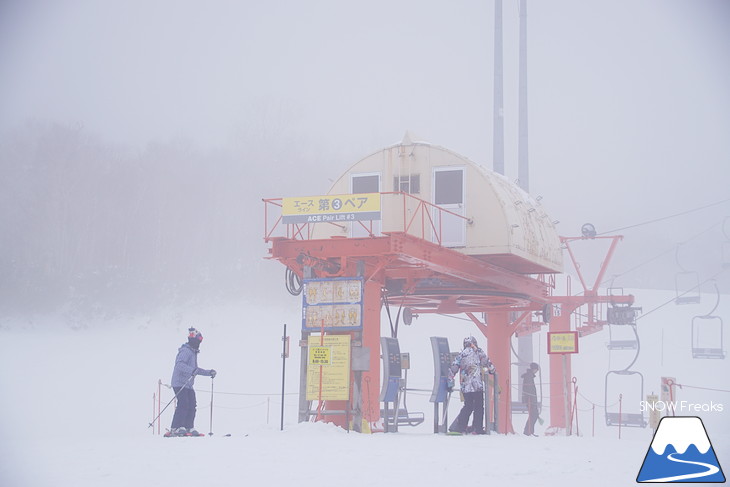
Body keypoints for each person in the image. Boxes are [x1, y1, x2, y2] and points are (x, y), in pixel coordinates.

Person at [169, 327, 217, 436]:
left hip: (188, 384)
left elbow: (196, 370)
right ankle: (176, 427)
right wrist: (192, 370)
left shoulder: (193, 352)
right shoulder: (186, 351)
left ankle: (188, 427)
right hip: (179, 382)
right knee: (183, 403)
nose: (199, 343)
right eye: (198, 340)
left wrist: (209, 373)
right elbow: (179, 364)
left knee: (192, 404)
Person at [447, 336, 495, 434]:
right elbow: (487, 363)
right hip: (477, 385)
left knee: (468, 406)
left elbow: (453, 369)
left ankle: (460, 427)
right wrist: (492, 371)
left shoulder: (461, 355)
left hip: (466, 386)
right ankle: (477, 428)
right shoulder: (479, 352)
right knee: (479, 407)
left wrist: (450, 383)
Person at [522, 362, 540, 437]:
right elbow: (529, 389)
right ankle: (528, 431)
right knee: (534, 414)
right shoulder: (529, 377)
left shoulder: (529, 376)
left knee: (534, 414)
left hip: (531, 399)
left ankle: (529, 431)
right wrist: (531, 399)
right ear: (534, 369)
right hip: (530, 399)